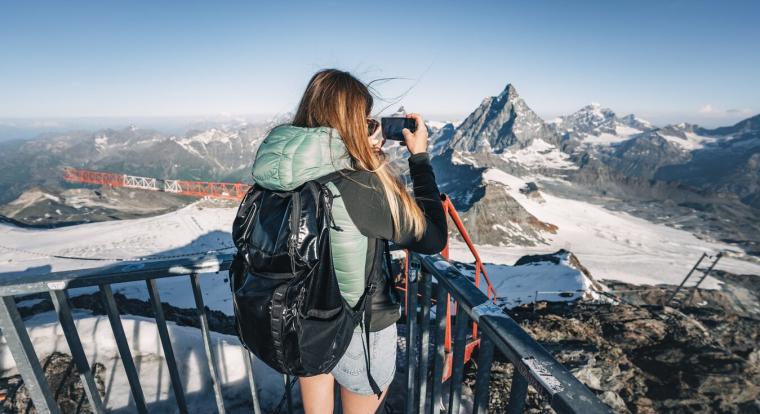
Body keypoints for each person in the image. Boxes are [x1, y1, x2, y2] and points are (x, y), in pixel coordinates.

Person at [250, 68, 447, 414]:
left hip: (302, 319)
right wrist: (419, 159)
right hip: (360, 329)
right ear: (350, 122)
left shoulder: (277, 171)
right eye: (365, 118)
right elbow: (431, 237)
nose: (371, 125)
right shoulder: (359, 183)